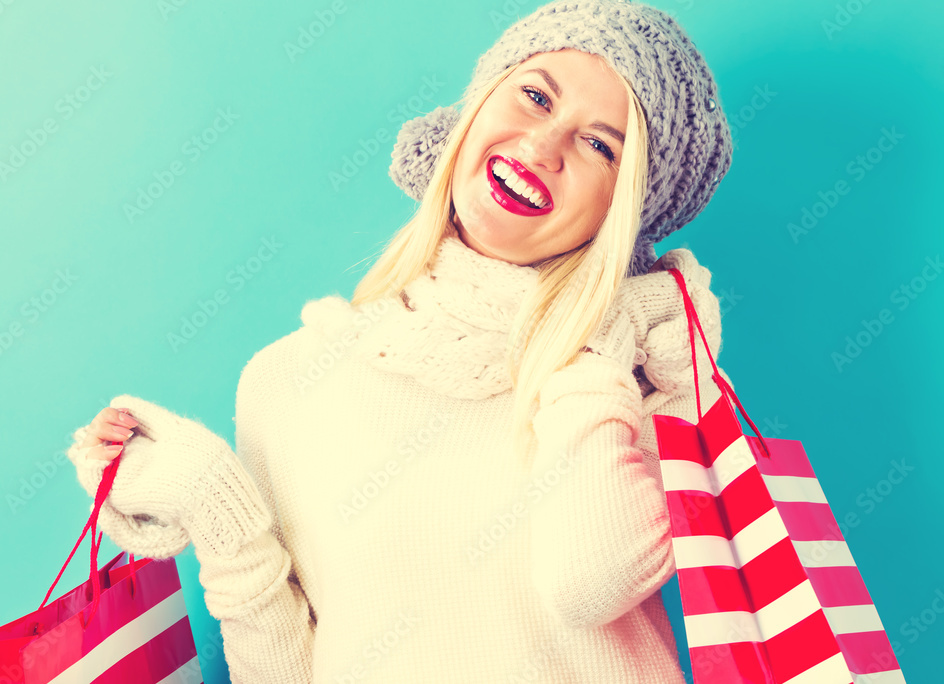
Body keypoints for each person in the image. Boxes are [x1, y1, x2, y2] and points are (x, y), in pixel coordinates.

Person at [66, 1, 737, 681]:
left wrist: (600, 334)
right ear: (475, 109)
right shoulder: (288, 379)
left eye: (601, 145)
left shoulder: (650, 385)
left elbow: (589, 580)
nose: (542, 147)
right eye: (534, 96)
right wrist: (212, 500)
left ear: (623, 210)